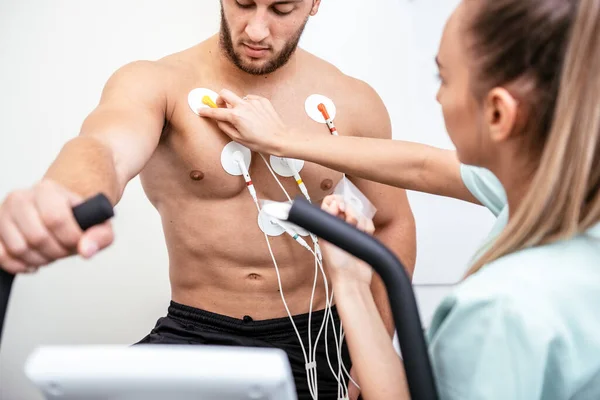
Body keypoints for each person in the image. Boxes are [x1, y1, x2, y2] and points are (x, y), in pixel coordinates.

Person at [0, 1, 417, 399]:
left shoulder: (354, 102)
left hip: (323, 342)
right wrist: (62, 193)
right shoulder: (157, 82)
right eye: (242, 2)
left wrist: (373, 348)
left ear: (314, 3)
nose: (256, 29)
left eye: (281, 9)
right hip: (195, 331)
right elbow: (104, 146)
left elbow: (391, 221)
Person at [199, 0, 600, 398]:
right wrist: (351, 282)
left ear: (498, 113)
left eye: (442, 78)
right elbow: (423, 166)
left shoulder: (499, 313)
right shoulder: (563, 196)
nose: (438, 98)